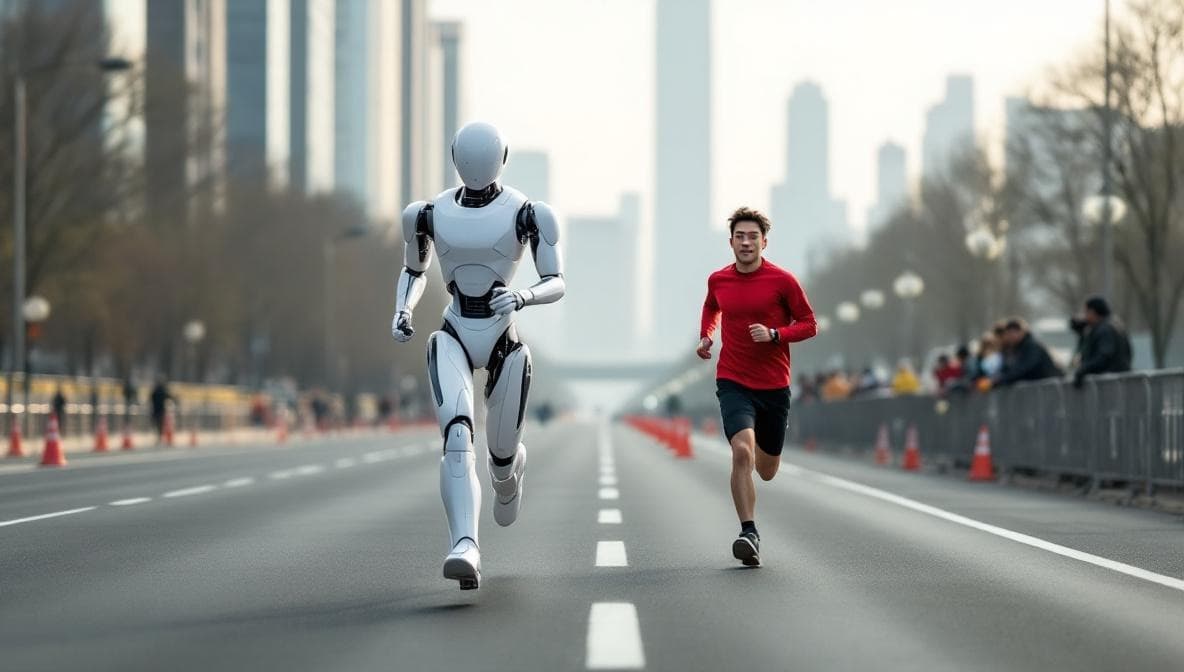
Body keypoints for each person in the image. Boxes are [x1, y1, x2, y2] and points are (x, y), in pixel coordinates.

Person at [390, 122, 566, 590]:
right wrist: (403, 310)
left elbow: (556, 279)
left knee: (500, 454)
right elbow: (414, 269)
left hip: (503, 334)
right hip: (453, 329)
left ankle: (508, 473)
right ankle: (465, 544)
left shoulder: (528, 213)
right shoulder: (427, 213)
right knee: (456, 435)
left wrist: (524, 296)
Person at [697, 206, 817, 567]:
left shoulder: (783, 281)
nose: (746, 242)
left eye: (753, 237)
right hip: (733, 380)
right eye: (739, 236)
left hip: (774, 386)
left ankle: (766, 459)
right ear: (731, 242)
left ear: (764, 242)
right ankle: (749, 532)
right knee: (741, 453)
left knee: (766, 469)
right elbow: (711, 307)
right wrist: (706, 337)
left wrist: (776, 334)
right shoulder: (718, 280)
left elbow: (810, 324)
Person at [1073, 295, 1133, 387]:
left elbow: (1104, 356)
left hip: (1110, 385)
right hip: (1120, 383)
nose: (1084, 316)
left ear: (1092, 312)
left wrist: (1083, 370)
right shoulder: (1115, 326)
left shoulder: (1104, 330)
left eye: (1086, 312)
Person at [994, 318, 1062, 386]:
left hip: (1049, 386)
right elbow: (1010, 368)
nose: (1012, 336)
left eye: (1014, 332)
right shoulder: (1015, 348)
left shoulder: (1031, 346)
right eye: (1009, 333)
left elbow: (1024, 368)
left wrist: (1001, 379)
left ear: (1022, 332)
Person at [149, 378, 172, 444]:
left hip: (155, 410)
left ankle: (158, 437)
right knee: (160, 424)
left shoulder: (155, 391)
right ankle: (159, 437)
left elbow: (150, 398)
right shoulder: (163, 391)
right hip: (161, 410)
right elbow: (169, 396)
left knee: (156, 424)